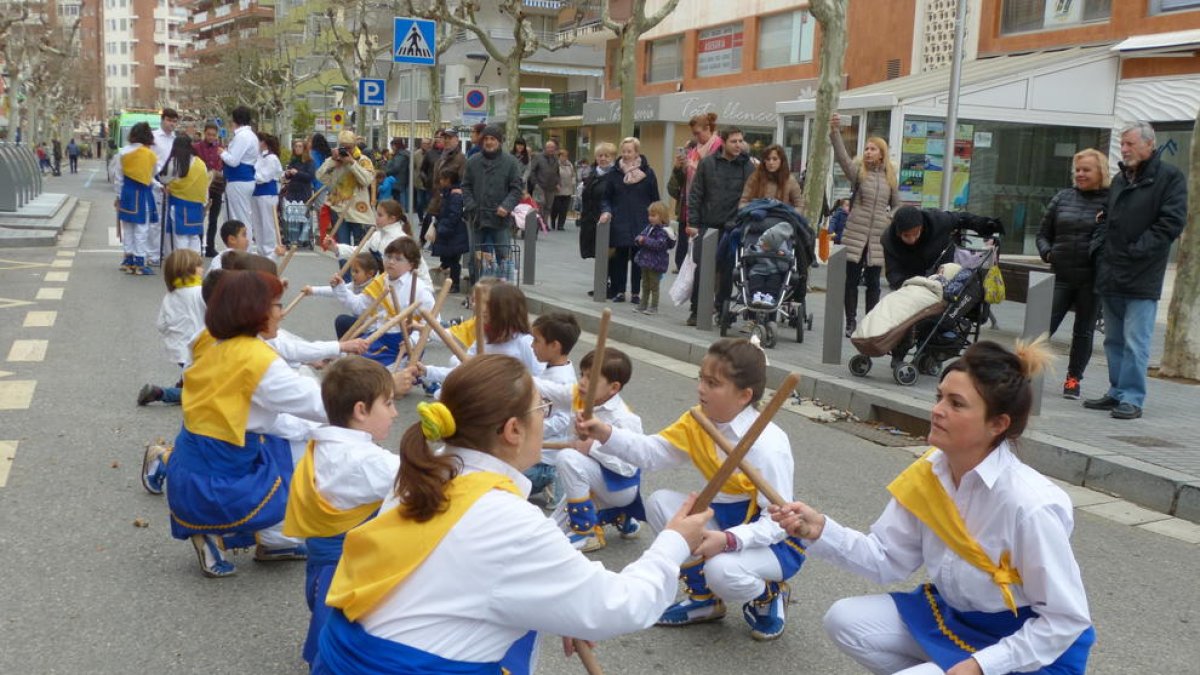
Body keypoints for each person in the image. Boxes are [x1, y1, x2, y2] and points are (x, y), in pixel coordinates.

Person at [314, 354, 711, 674]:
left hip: (343, 656)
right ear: (512, 430)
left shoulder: (424, 473)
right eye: (541, 408)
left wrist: (560, 607)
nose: (545, 416)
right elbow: (619, 605)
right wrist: (674, 543)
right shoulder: (508, 519)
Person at [771, 339, 1097, 674]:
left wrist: (983, 665)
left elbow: (1065, 619)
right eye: (939, 397)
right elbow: (886, 559)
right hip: (957, 622)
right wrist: (819, 530)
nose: (938, 410)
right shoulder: (930, 473)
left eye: (956, 404)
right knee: (844, 620)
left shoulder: (1030, 505)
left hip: (1034, 648)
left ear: (997, 424)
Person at [576, 338, 804, 641]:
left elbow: (778, 523)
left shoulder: (768, 445)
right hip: (723, 517)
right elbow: (652, 453)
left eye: (713, 383)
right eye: (701, 378)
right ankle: (704, 600)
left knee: (722, 571)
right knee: (660, 504)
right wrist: (605, 432)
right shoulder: (699, 420)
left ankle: (768, 593)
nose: (700, 389)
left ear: (744, 395)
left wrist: (728, 540)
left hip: (769, 540)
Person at [160, 270, 325, 577]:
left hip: (192, 456)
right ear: (254, 310)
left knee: (287, 434)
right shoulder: (256, 360)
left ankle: (269, 539)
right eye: (276, 305)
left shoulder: (208, 339)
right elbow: (322, 405)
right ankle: (253, 536)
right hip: (221, 473)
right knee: (297, 448)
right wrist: (378, 391)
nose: (282, 313)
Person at [282, 356, 401, 665]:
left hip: (321, 564)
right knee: (346, 650)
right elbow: (429, 479)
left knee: (331, 634)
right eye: (388, 403)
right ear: (361, 410)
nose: (395, 412)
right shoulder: (367, 461)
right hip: (351, 573)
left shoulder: (320, 445)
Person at [1085, 122, 1186, 420]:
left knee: (1135, 341)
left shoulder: (1169, 178)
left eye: (1130, 143)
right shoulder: (1120, 179)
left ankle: (1132, 397)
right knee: (1113, 340)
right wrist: (1099, 248)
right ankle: (1117, 392)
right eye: (1122, 143)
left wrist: (1137, 250)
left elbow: (1171, 223)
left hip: (1142, 275)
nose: (1124, 149)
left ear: (1149, 144)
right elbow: (1106, 218)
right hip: (1111, 271)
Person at [541, 348, 644, 553]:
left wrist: (592, 448)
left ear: (614, 387)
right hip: (588, 479)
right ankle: (621, 516)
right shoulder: (580, 396)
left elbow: (630, 468)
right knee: (549, 532)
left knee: (567, 457)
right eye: (582, 374)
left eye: (591, 378)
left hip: (619, 487)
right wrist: (515, 376)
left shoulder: (625, 418)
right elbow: (547, 389)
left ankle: (585, 530)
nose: (582, 382)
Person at [1033, 148, 1111, 400]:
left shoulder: (1111, 201)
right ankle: (1025, 374)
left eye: (1086, 170)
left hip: (1091, 279)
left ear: (1100, 172)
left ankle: (1073, 378)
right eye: (1077, 170)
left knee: (1083, 332)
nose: (1080, 174)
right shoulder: (1063, 197)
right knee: (1041, 327)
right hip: (1061, 276)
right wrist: (1047, 253)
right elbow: (1042, 234)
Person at [830, 114, 900, 337]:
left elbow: (897, 205)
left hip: (877, 238)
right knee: (850, 280)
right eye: (867, 149)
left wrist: (888, 219)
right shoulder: (859, 173)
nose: (868, 152)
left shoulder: (890, 178)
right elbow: (843, 158)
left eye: (873, 149)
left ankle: (869, 323)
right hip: (855, 234)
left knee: (874, 283)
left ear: (881, 154)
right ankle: (851, 322)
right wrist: (835, 132)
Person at [687, 127, 754, 326]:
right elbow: (696, 194)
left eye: (740, 141)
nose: (738, 145)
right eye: (734, 141)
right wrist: (693, 223)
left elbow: (751, 197)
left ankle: (722, 310)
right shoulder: (708, 163)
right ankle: (696, 310)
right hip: (708, 225)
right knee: (703, 269)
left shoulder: (747, 166)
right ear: (723, 142)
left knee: (727, 272)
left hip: (732, 228)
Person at [522, 312, 582, 507]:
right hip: (532, 449)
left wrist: (529, 428)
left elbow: (563, 420)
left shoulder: (563, 381)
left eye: (536, 341)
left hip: (545, 459)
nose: (532, 346)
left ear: (555, 346)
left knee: (502, 482)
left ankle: (553, 477)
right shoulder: (548, 369)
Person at [137, 249, 206, 408]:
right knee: (205, 392)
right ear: (190, 270)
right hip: (198, 349)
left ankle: (184, 383)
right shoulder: (200, 293)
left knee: (192, 373)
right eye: (199, 266)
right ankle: (161, 393)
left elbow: (161, 325)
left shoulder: (170, 296)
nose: (203, 269)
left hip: (178, 349)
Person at [601, 137, 660, 305]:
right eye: (624, 151)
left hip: (641, 222)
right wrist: (606, 211)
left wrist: (656, 219)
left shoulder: (648, 173)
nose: (626, 154)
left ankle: (635, 292)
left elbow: (655, 198)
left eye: (630, 151)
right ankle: (620, 291)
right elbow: (606, 198)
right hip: (619, 221)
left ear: (637, 152)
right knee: (619, 259)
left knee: (638, 259)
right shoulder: (614, 173)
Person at [462, 124, 524, 284]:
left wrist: (506, 206)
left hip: (500, 219)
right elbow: (465, 186)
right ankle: (477, 290)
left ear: (499, 141)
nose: (489, 142)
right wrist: (470, 204)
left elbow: (516, 189)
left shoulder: (510, 162)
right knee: (475, 258)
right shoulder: (473, 161)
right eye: (486, 139)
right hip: (477, 218)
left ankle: (505, 291)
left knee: (504, 257)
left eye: (493, 139)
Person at [114, 122, 159, 276]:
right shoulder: (150, 154)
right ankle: (140, 262)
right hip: (143, 194)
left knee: (128, 227)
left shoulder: (122, 152)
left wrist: (118, 196)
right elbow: (153, 174)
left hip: (126, 193)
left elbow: (118, 177)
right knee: (142, 228)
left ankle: (128, 260)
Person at [317, 130, 376, 246]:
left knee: (360, 248)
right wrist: (332, 162)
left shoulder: (363, 160)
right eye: (343, 147)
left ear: (354, 145)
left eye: (349, 148)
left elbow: (366, 181)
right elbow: (320, 177)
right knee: (342, 248)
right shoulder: (335, 160)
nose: (346, 151)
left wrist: (352, 163)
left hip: (358, 210)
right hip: (339, 209)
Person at [159, 134, 210, 254]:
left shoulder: (175, 162)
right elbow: (205, 184)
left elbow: (163, 179)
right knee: (194, 237)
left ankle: (181, 263)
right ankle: (194, 262)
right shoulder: (200, 163)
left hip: (179, 205)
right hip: (197, 205)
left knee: (180, 238)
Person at [220, 106, 260, 250]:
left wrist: (222, 152)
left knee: (239, 218)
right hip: (243, 179)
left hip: (239, 180)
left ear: (234, 120)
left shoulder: (242, 136)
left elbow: (233, 161)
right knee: (240, 216)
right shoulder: (251, 136)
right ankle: (240, 249)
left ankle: (244, 250)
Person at [148, 109, 181, 264]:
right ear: (162, 120)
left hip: (173, 182)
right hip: (156, 181)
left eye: (174, 121)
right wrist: (155, 182)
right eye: (169, 120)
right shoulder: (153, 137)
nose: (171, 124)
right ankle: (153, 254)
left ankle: (166, 251)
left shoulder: (176, 139)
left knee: (169, 219)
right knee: (156, 220)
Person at [431, 168, 469, 293]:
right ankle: (450, 281)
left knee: (453, 260)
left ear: (448, 180)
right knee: (449, 258)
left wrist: (443, 226)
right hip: (450, 232)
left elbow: (454, 214)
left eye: (442, 179)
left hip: (453, 233)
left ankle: (454, 284)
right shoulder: (448, 193)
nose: (440, 181)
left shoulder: (455, 195)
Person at [633, 201, 675, 314]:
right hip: (645, 261)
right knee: (645, 284)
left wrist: (644, 240)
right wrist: (638, 239)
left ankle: (654, 307)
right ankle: (643, 304)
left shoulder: (663, 232)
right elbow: (641, 235)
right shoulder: (649, 227)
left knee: (654, 286)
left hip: (656, 263)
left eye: (653, 215)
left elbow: (659, 244)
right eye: (649, 215)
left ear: (662, 217)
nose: (650, 218)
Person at [577, 142, 615, 264]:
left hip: (607, 223)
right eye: (600, 155)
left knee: (609, 259)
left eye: (606, 156)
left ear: (613, 157)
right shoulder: (592, 174)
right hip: (591, 222)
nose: (603, 158)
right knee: (599, 258)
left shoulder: (616, 176)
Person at [193, 123, 226, 258]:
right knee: (200, 217)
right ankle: (198, 245)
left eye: (213, 135)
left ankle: (210, 247)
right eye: (209, 134)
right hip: (201, 186)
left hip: (216, 187)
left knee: (214, 219)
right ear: (204, 133)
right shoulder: (196, 147)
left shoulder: (220, 149)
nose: (211, 137)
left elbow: (223, 164)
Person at [251, 133, 285, 260]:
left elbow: (263, 177)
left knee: (268, 224)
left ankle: (270, 252)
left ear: (263, 143)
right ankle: (261, 251)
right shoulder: (259, 157)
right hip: (256, 194)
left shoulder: (272, 158)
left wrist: (249, 175)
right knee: (257, 225)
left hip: (267, 194)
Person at [739, 144, 803, 209]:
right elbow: (743, 203)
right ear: (764, 161)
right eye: (768, 159)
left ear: (781, 161)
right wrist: (753, 209)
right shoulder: (755, 178)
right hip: (757, 214)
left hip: (781, 214)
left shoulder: (789, 180)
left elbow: (799, 205)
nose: (771, 162)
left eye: (775, 159)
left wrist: (788, 214)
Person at [667, 140, 697, 272]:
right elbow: (672, 186)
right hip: (684, 210)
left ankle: (688, 267)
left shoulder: (697, 164)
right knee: (683, 241)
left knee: (691, 241)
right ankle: (680, 266)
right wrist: (678, 168)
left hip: (694, 211)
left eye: (686, 149)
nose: (685, 152)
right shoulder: (683, 166)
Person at [427, 128, 467, 224]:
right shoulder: (441, 157)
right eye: (445, 138)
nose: (446, 140)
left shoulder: (461, 158)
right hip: (436, 201)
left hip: (451, 204)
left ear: (456, 140)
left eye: (450, 138)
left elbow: (464, 181)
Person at [283, 139, 316, 247]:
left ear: (304, 148)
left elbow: (310, 176)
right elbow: (288, 176)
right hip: (292, 191)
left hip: (303, 191)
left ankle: (304, 238)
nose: (297, 148)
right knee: (292, 215)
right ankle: (292, 237)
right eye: (295, 146)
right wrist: (288, 173)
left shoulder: (309, 162)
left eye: (300, 146)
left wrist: (297, 173)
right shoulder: (293, 161)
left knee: (303, 215)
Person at [529, 138, 561, 219]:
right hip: (540, 186)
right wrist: (535, 184)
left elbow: (557, 173)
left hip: (551, 188)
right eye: (549, 147)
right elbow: (532, 171)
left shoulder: (556, 159)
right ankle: (538, 222)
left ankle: (545, 223)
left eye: (552, 147)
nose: (551, 149)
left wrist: (558, 183)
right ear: (545, 148)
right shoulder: (538, 157)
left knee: (548, 207)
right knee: (539, 206)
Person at [551, 148, 576, 231]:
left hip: (568, 190)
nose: (564, 158)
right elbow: (552, 175)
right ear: (559, 156)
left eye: (566, 156)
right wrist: (556, 184)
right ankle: (553, 219)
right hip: (558, 190)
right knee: (556, 208)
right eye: (562, 156)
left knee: (564, 209)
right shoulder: (555, 164)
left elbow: (573, 175)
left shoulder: (570, 165)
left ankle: (561, 225)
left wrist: (573, 183)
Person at [385, 138, 410, 210]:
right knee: (400, 199)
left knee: (399, 200)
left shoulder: (400, 155)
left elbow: (396, 167)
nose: (392, 148)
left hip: (398, 180)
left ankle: (400, 213)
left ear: (396, 145)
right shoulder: (404, 154)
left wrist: (387, 171)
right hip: (402, 179)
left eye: (392, 146)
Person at [412, 137, 431, 219]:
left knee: (429, 202)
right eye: (423, 143)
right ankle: (421, 219)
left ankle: (428, 219)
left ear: (430, 144)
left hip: (430, 183)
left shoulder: (432, 153)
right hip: (419, 183)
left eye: (427, 143)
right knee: (420, 202)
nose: (425, 145)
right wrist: (415, 177)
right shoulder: (416, 154)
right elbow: (412, 167)